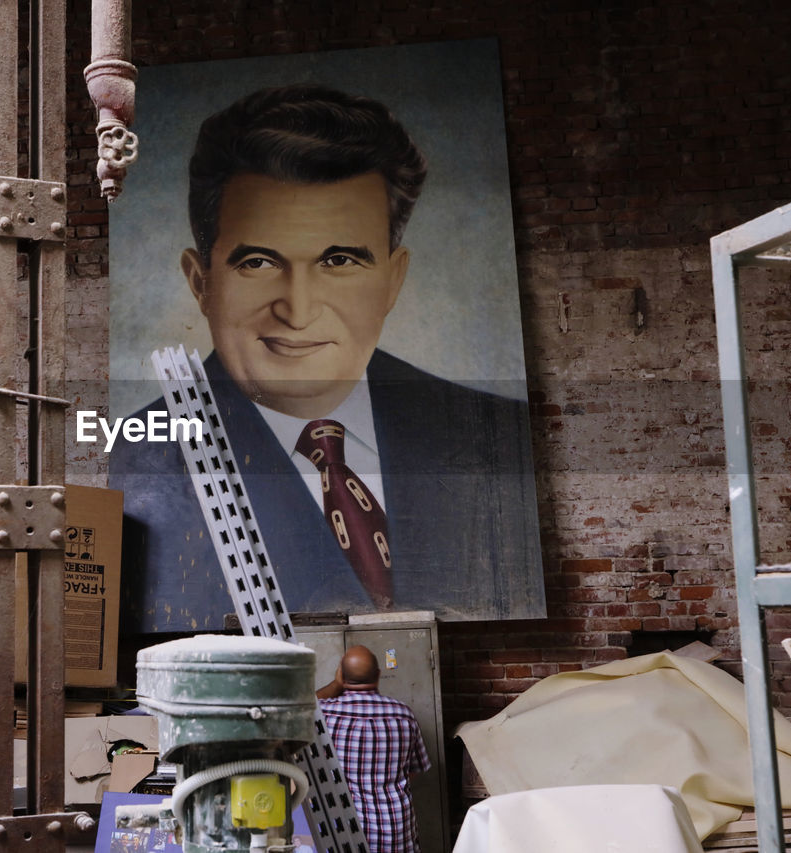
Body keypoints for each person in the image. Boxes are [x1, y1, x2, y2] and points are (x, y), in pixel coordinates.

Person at [110, 84, 540, 632]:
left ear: (393, 279)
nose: (298, 309)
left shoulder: (496, 434)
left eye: (339, 259)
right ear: (201, 282)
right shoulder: (138, 457)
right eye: (259, 262)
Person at [316, 645, 430, 853]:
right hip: (394, 829)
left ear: (341, 674)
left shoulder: (325, 713)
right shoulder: (403, 715)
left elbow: (304, 704)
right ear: (378, 675)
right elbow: (414, 770)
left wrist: (335, 684)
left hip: (345, 830)